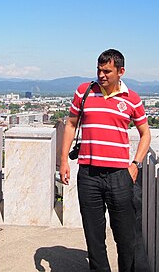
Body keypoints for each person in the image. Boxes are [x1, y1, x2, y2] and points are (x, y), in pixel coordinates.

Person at [58, 49, 151, 272]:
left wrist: (135, 164)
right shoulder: (84, 92)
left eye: (107, 71)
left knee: (126, 237)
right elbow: (70, 125)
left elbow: (145, 134)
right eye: (99, 70)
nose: (102, 75)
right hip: (88, 175)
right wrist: (63, 160)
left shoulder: (132, 99)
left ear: (121, 72)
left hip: (120, 175)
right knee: (94, 236)